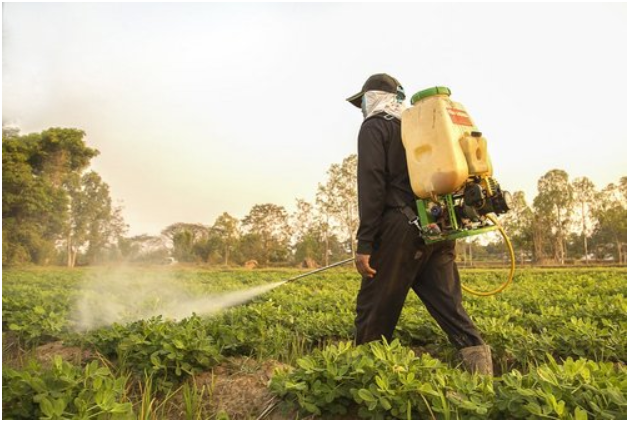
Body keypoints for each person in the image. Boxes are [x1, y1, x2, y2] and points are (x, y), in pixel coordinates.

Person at [346, 73, 493, 376]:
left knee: (373, 308)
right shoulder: (420, 129)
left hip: (399, 230)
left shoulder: (375, 127)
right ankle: (482, 377)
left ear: (372, 98)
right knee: (449, 306)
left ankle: (362, 382)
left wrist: (365, 244)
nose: (362, 108)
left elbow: (372, 186)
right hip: (437, 227)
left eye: (362, 101)